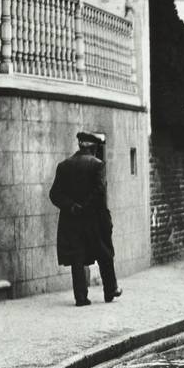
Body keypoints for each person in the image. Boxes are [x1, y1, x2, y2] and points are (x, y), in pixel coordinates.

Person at [49, 131, 121, 307]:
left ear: (80, 145)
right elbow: (100, 192)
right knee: (105, 253)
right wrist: (88, 208)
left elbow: (54, 194)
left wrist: (73, 206)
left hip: (72, 220)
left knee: (77, 257)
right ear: (93, 147)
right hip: (95, 219)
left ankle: (80, 297)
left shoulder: (63, 165)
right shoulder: (98, 165)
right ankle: (110, 290)